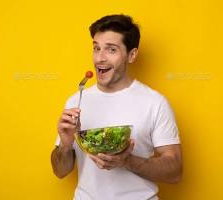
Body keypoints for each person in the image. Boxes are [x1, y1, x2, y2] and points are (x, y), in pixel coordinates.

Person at [51, 14, 182, 200]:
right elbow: (60, 172)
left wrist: (126, 161)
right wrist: (64, 144)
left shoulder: (155, 103)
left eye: (111, 50)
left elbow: (175, 171)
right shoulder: (76, 101)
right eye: (96, 48)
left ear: (132, 55)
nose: (99, 58)